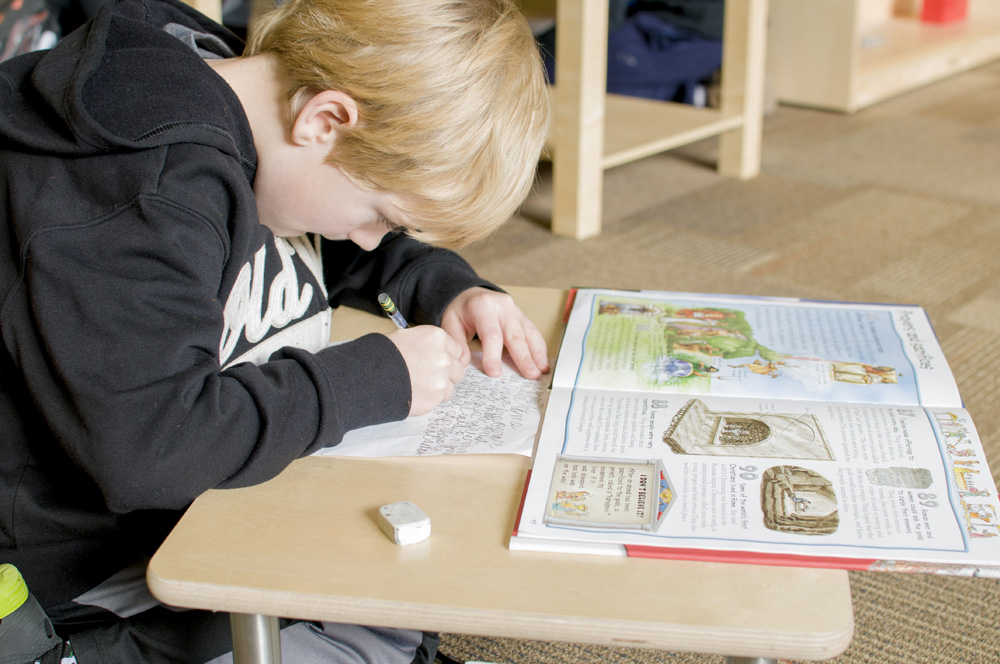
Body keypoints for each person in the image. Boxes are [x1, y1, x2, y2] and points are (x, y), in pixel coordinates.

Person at [0, 0, 550, 660]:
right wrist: (370, 380)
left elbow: (318, 228)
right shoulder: (147, 194)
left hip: (178, 517)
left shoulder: (249, 99)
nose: (372, 238)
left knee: (398, 596)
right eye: (382, 215)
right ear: (324, 119)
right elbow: (154, 448)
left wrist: (436, 282)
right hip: (80, 573)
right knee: (375, 612)